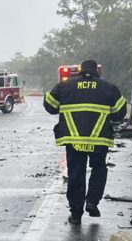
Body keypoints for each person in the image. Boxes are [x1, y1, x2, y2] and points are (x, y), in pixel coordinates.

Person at [44, 59, 126, 223]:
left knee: (76, 174)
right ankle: (92, 202)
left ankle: (76, 214)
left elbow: (50, 106)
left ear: (80, 71)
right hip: (99, 140)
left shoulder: (65, 86)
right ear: (97, 71)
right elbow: (120, 113)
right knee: (99, 169)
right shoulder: (108, 88)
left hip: (73, 140)